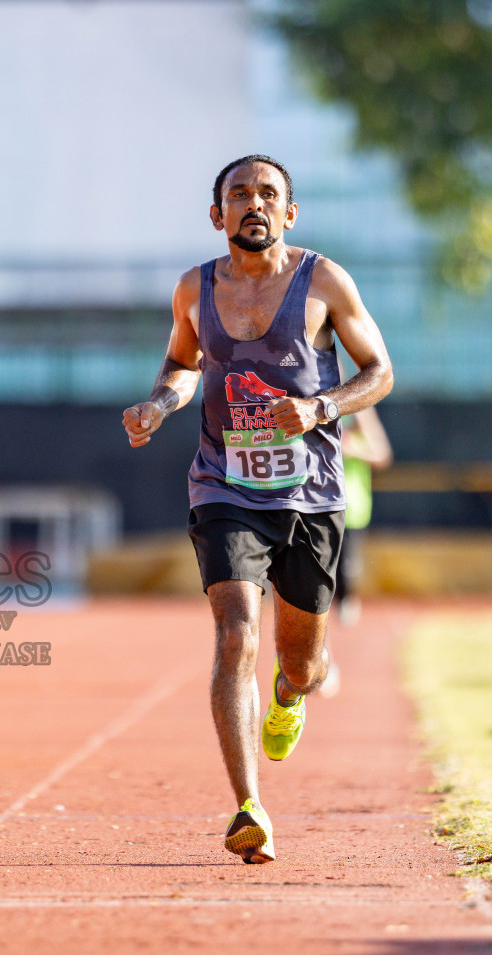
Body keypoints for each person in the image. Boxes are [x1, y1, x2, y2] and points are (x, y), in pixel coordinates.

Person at [121, 155, 393, 864]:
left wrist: (319, 407)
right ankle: (248, 807)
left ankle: (289, 690)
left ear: (289, 212)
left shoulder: (323, 281)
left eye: (268, 193)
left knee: (302, 662)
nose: (254, 203)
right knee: (235, 630)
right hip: (225, 486)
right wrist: (158, 403)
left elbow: (381, 372)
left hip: (312, 495)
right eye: (238, 193)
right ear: (217, 215)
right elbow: (181, 366)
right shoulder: (195, 288)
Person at [333, 406, 393, 631]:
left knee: (345, 565)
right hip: (316, 503)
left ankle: (346, 601)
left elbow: (382, 455)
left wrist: (349, 449)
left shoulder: (359, 411)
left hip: (352, 505)